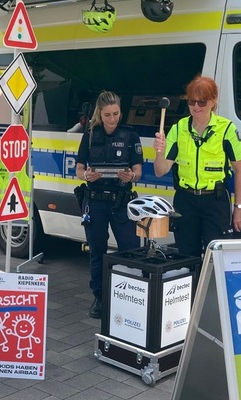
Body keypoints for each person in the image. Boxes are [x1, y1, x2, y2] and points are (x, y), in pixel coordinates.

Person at [153, 75, 241, 257]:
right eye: (191, 101)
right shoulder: (178, 128)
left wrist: (239, 208)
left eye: (202, 102)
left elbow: (239, 170)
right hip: (185, 201)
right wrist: (159, 152)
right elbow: (160, 171)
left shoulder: (226, 129)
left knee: (216, 257)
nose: (196, 107)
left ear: (213, 101)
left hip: (215, 201)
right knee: (187, 256)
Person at [75, 91, 143, 319]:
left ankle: (131, 296)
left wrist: (131, 176)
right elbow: (79, 169)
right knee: (97, 251)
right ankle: (100, 297)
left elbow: (138, 171)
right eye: (107, 115)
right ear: (100, 114)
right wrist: (86, 175)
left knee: (130, 250)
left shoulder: (130, 135)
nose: (112, 119)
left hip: (121, 202)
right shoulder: (90, 135)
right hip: (95, 201)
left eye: (116, 113)